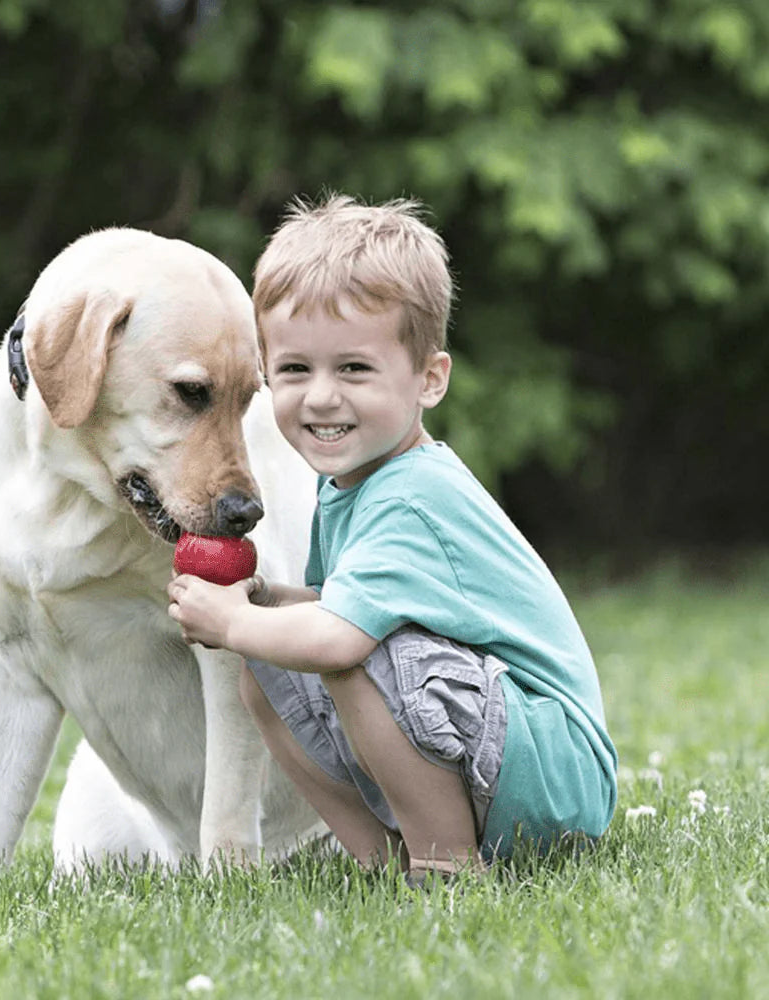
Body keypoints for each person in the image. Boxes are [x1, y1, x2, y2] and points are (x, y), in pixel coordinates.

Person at [167, 194, 617, 883]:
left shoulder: (411, 496)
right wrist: (269, 601)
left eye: (353, 369)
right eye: (294, 370)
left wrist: (231, 619)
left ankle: (444, 867)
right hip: (501, 753)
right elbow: (335, 604)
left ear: (428, 380)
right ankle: (383, 859)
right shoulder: (349, 480)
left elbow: (342, 637)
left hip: (552, 774)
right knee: (268, 666)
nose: (320, 397)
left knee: (348, 652)